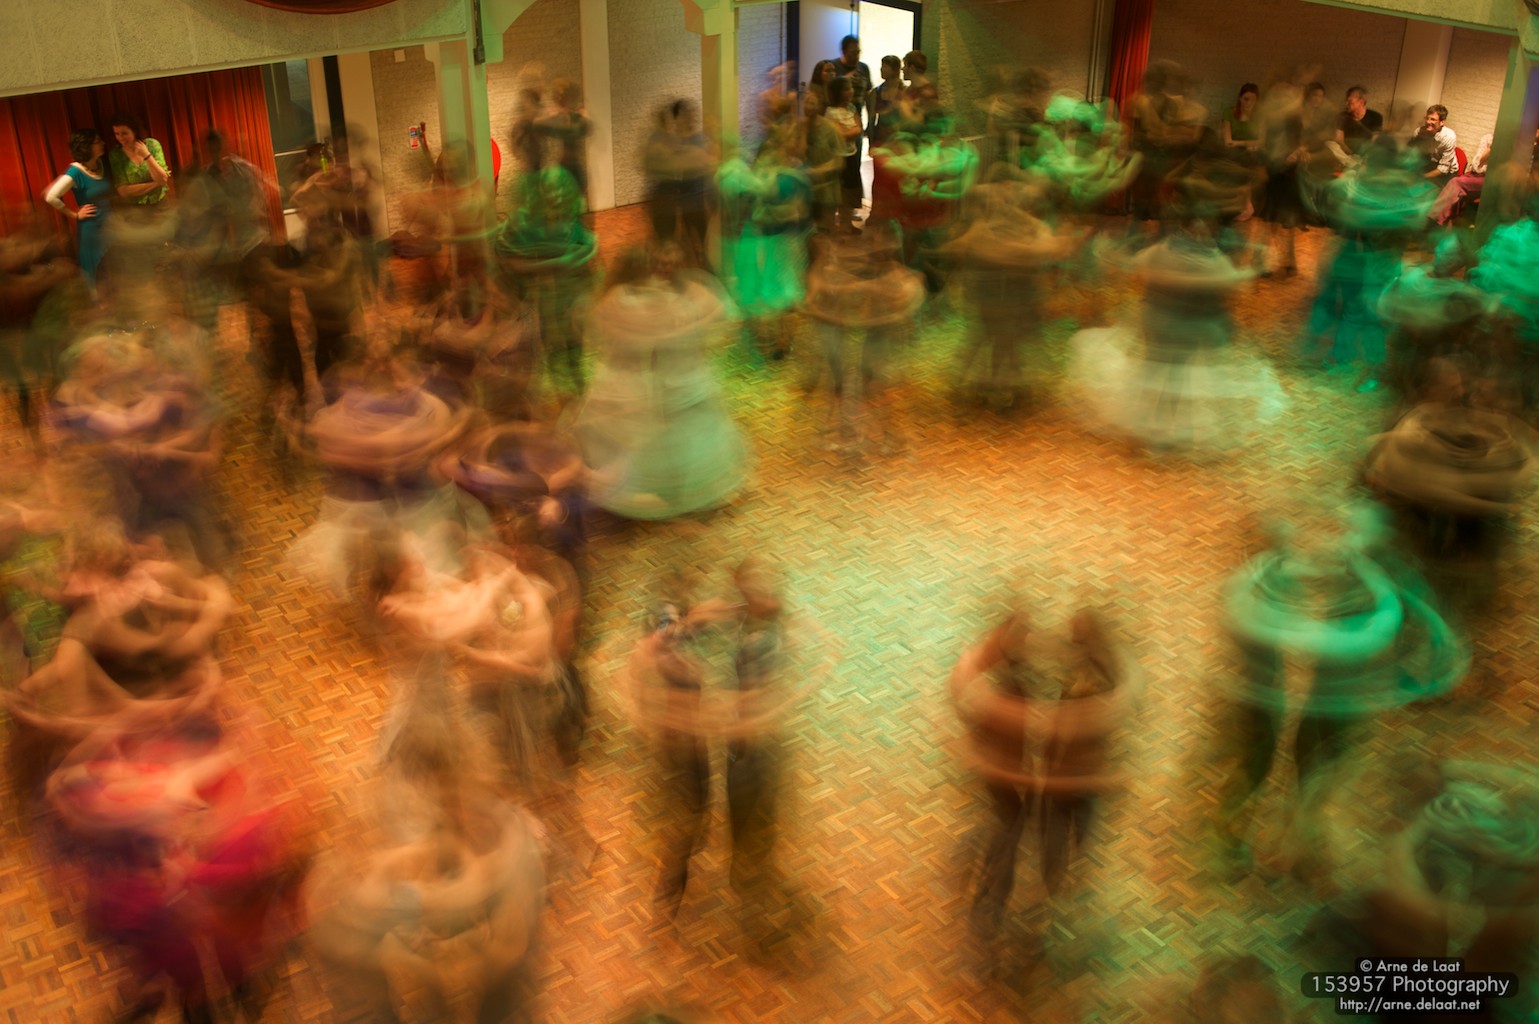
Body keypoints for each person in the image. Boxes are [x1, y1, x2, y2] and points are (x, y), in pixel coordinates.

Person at [645, 100, 715, 266]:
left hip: (695, 200)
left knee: (702, 239)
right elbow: (655, 168)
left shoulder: (698, 139)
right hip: (676, 201)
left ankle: (704, 266)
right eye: (685, 115)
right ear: (675, 119)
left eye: (691, 115)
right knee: (674, 242)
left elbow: (707, 164)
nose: (690, 119)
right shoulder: (667, 141)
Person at [43, 129, 113, 288]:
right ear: (86, 146)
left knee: (112, 272)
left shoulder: (100, 163)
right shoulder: (75, 171)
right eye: (97, 141)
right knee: (96, 274)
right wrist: (74, 214)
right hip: (92, 229)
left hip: (109, 225)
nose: (103, 143)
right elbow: (50, 196)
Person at [832, 35, 872, 230]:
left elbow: (868, 94)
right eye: (853, 52)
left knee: (853, 167)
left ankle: (850, 207)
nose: (856, 56)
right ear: (844, 52)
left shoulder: (863, 68)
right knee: (838, 169)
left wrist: (869, 121)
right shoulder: (834, 67)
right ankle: (837, 208)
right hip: (838, 119)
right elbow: (829, 91)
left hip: (855, 116)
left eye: (858, 52)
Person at [107, 113, 171, 210]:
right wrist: (156, 183)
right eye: (117, 134)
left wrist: (147, 156)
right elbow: (123, 191)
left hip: (160, 204)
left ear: (135, 131)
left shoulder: (152, 145)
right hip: (135, 209)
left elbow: (162, 179)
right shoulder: (116, 154)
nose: (120, 138)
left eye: (124, 133)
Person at [1428, 132, 1491, 225]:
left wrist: (1492, 148)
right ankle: (1446, 224)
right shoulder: (1487, 138)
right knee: (1456, 193)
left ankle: (1436, 219)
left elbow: (1482, 161)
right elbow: (1477, 162)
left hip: (1488, 179)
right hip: (1475, 173)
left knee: (1456, 182)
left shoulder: (1503, 146)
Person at [1331, 85, 1383, 164]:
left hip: (1366, 155)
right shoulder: (1341, 116)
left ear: (1361, 102)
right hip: (1346, 154)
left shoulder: (1376, 117)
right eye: (1346, 101)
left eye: (1350, 101)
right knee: (1330, 144)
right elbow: (1339, 139)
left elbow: (1375, 140)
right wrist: (1349, 153)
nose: (1346, 104)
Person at [1409, 104, 1458, 185]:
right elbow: (1412, 155)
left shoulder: (1449, 137)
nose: (1428, 122)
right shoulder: (1419, 132)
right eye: (1427, 118)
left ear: (1442, 122)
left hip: (1446, 172)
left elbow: (1443, 169)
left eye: (1433, 119)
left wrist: (1421, 177)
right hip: (1429, 164)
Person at [1222, 84, 1260, 154]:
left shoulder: (1260, 116)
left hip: (1254, 152)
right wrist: (1250, 143)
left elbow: (1262, 141)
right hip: (1234, 152)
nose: (1249, 103)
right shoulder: (1229, 113)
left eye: (1253, 100)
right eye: (1246, 99)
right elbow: (1228, 142)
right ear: (1240, 98)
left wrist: (1237, 143)